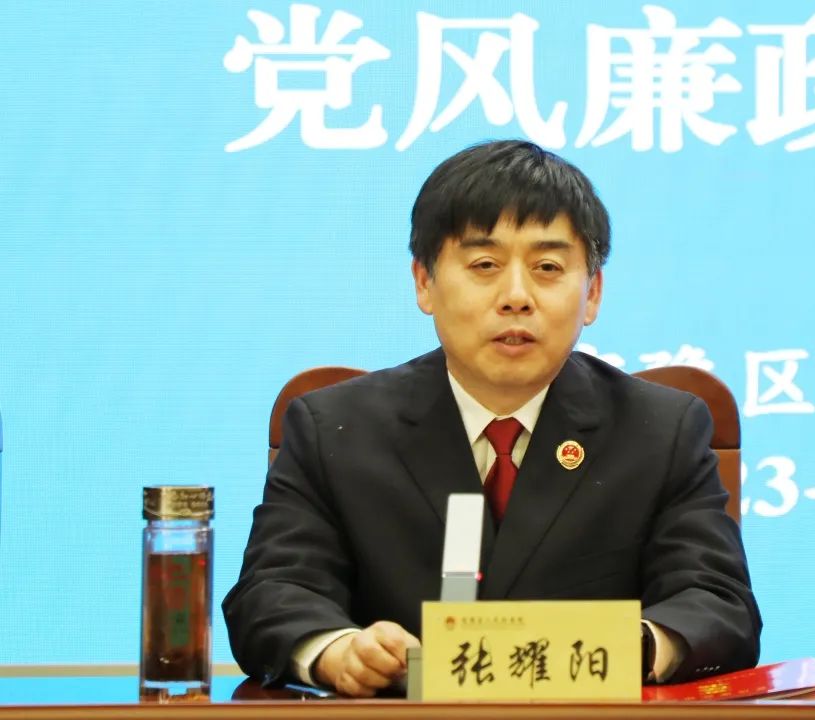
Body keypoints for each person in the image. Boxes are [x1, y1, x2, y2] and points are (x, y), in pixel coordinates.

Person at [223, 139, 761, 697]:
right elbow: (271, 593)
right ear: (424, 282)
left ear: (593, 293)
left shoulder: (661, 431)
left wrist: (631, 646)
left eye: (548, 267)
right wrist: (338, 651)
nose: (516, 297)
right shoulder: (335, 427)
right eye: (484, 265)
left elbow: (718, 605)